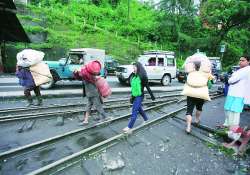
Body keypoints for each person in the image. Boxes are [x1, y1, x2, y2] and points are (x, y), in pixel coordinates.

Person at [123, 62, 155, 132]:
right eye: (133, 67)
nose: (133, 68)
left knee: (134, 110)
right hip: (134, 95)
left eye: (134, 67)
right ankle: (146, 119)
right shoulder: (134, 75)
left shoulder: (143, 76)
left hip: (140, 96)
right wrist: (132, 96)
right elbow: (133, 87)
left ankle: (129, 127)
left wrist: (152, 96)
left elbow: (147, 87)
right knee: (139, 108)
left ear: (138, 67)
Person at [75, 60, 108, 125]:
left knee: (98, 106)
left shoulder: (89, 75)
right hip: (90, 94)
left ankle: (105, 117)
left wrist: (79, 70)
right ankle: (86, 120)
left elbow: (83, 74)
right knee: (89, 107)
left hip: (94, 94)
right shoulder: (86, 75)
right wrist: (76, 72)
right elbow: (79, 77)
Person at [222, 56, 250, 129]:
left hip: (239, 94)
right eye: (240, 60)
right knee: (227, 109)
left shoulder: (247, 70)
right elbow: (231, 80)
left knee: (234, 112)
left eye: (243, 60)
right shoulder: (240, 70)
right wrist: (231, 80)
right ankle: (227, 126)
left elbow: (231, 80)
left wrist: (231, 80)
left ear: (248, 62)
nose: (240, 62)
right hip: (232, 93)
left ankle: (233, 129)